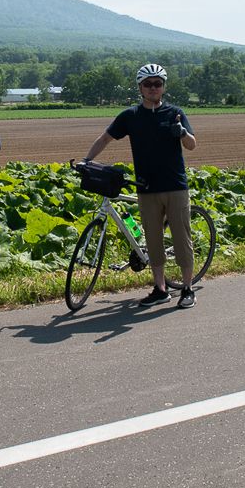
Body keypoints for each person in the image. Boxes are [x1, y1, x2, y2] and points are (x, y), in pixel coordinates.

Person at [82, 63, 199, 309]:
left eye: (158, 84)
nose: (153, 88)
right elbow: (105, 138)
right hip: (146, 187)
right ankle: (160, 289)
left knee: (182, 240)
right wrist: (87, 160)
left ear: (164, 87)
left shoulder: (175, 113)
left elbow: (192, 145)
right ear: (140, 88)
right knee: (153, 241)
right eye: (148, 84)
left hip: (175, 186)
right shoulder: (131, 116)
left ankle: (187, 288)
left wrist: (182, 133)